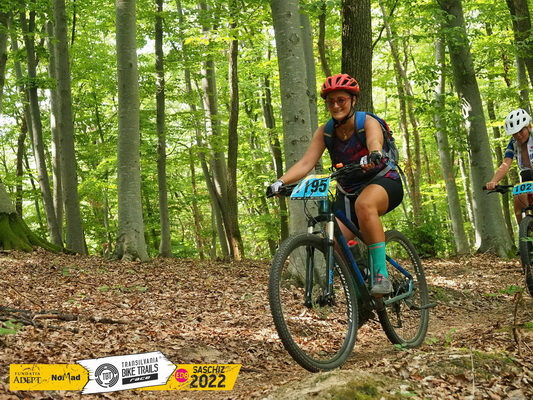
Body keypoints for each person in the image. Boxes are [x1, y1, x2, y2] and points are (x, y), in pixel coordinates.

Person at [268, 73, 404, 296]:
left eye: (341, 100)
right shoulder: (326, 131)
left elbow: (374, 141)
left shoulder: (366, 122)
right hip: (348, 190)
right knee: (333, 240)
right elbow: (306, 163)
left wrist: (374, 154)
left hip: (383, 181)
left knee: (365, 204)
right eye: (330, 102)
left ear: (353, 100)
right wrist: (280, 182)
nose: (336, 105)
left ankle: (381, 275)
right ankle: (361, 283)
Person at [486, 108, 533, 224]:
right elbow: (506, 163)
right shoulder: (513, 143)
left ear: (529, 127)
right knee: (518, 198)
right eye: (515, 133)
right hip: (526, 175)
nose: (518, 135)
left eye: (521, 131)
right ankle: (525, 231)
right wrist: (494, 181)